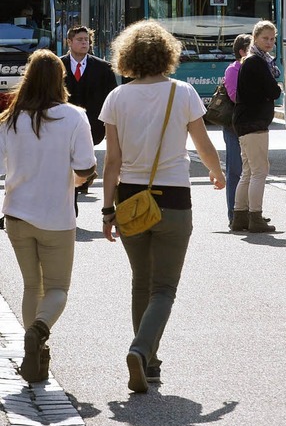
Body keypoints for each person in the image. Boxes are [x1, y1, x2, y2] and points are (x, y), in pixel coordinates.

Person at [99, 20, 225, 394]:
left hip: (131, 199)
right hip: (172, 199)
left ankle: (149, 362)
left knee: (142, 282)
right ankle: (141, 351)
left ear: (128, 55)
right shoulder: (183, 92)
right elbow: (202, 144)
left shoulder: (117, 98)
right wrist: (217, 173)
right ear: (167, 54)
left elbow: (112, 163)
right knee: (164, 287)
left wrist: (107, 210)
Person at [0, 49, 96, 383]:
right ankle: (38, 332)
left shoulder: (11, 118)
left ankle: (36, 358)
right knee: (57, 288)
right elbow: (85, 167)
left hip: (16, 214)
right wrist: (76, 179)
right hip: (56, 215)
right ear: (60, 79)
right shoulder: (73, 116)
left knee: (31, 286)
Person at [230, 20, 281, 233]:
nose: (269, 43)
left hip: (245, 121)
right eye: (265, 38)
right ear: (255, 38)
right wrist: (275, 87)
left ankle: (240, 216)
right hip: (253, 121)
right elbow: (273, 92)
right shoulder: (258, 63)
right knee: (259, 171)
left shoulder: (250, 60)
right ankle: (255, 217)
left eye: (272, 39)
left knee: (249, 171)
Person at [62, 26, 117, 195]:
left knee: (84, 150)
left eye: (87, 40)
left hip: (93, 122)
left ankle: (85, 176)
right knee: (66, 152)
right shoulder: (58, 65)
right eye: (80, 40)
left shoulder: (103, 68)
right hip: (64, 121)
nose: (84, 43)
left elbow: (112, 96)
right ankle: (73, 179)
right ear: (69, 42)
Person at [222, 33, 252, 227]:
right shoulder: (234, 69)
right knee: (235, 171)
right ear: (242, 51)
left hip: (252, 125)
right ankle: (234, 213)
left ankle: (250, 211)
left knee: (251, 171)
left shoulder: (255, 67)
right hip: (235, 125)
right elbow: (234, 96)